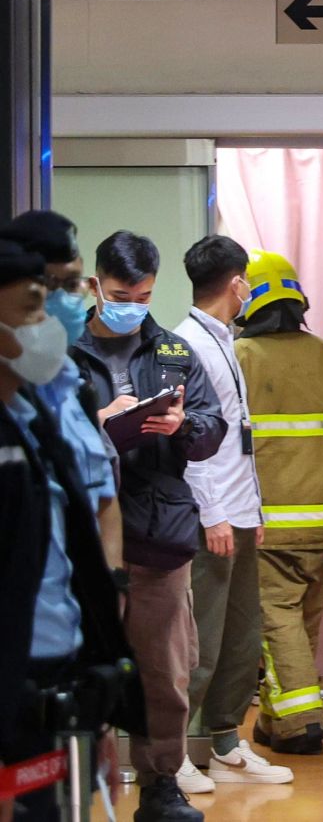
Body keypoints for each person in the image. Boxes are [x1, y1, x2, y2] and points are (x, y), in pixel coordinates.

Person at [74, 230, 226, 820]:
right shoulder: (61, 351)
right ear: (95, 285)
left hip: (158, 535)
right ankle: (86, 783)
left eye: (142, 296)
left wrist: (184, 426)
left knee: (163, 673)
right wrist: (96, 420)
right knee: (89, 669)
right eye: (119, 294)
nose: (132, 306)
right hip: (86, 538)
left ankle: (161, 784)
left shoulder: (172, 351)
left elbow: (212, 428)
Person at [0, 239, 143, 822]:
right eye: (36, 301)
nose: (52, 317)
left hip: (64, 659)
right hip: (17, 672)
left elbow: (91, 523)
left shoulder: (53, 407)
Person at [234, 250, 323, 755]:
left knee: (276, 621)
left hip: (266, 521)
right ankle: (276, 722)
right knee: (303, 619)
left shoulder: (239, 359)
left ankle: (300, 725)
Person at [173, 235, 294, 793]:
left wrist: (253, 509)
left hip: (240, 513)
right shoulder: (183, 345)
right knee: (201, 640)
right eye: (246, 282)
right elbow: (190, 443)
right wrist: (215, 513)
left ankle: (224, 740)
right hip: (209, 518)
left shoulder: (227, 340)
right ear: (236, 283)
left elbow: (238, 440)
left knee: (243, 637)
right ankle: (172, 753)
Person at [4, 210, 123, 569]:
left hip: (75, 614)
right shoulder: (12, 398)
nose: (62, 302)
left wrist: (113, 585)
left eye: (72, 286)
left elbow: (105, 500)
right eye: (48, 287)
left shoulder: (75, 391)